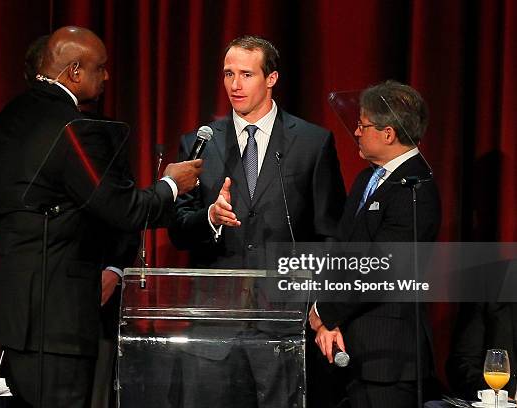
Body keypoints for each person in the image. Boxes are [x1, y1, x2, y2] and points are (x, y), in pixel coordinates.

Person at [0, 26, 202, 407]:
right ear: (75, 72)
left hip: (12, 311)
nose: (107, 76)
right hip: (58, 319)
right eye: (101, 68)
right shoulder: (75, 129)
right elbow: (124, 209)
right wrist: (171, 185)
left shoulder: (3, 121)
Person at [167, 35, 346, 407]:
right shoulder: (198, 143)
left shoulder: (313, 143)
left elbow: (330, 236)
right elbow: (178, 228)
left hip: (282, 322)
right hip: (213, 326)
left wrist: (316, 306)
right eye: (228, 74)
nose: (235, 85)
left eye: (246, 74)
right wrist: (210, 218)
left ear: (271, 79)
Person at [310, 80, 441, 408]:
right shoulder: (366, 179)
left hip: (388, 361)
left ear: (388, 134)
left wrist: (325, 313)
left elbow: (382, 270)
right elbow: (340, 252)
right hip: (346, 350)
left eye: (362, 125)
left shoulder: (417, 188)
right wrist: (327, 317)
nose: (356, 132)